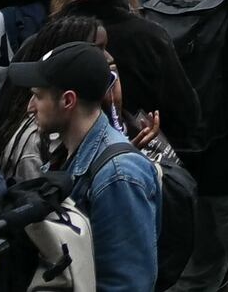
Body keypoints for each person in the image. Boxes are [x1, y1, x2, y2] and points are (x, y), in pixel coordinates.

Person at [21, 42, 168, 292]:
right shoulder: (65, 154)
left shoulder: (119, 176)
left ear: (68, 100)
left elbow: (127, 284)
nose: (30, 107)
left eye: (38, 96)